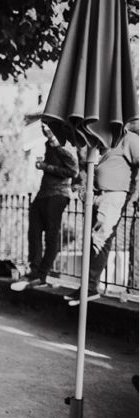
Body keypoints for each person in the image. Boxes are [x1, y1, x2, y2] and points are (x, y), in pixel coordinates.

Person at [25, 126, 80, 284]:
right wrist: (44, 164)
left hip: (58, 195)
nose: (43, 129)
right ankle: (34, 269)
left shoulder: (66, 144)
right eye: (42, 126)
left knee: (51, 236)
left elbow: (73, 171)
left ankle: (42, 273)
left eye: (47, 126)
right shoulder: (47, 145)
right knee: (34, 233)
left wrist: (46, 167)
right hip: (43, 193)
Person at [88, 126, 139, 294]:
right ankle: (88, 286)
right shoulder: (100, 139)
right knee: (91, 241)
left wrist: (135, 192)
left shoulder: (129, 138)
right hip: (96, 196)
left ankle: (91, 287)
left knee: (100, 240)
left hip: (114, 195)